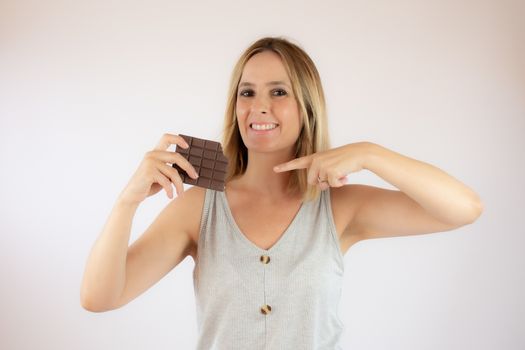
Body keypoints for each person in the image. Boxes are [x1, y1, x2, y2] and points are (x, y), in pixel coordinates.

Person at [80, 36, 483, 349]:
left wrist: (369, 154)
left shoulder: (339, 206)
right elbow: (100, 297)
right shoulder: (199, 208)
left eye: (278, 92)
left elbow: (464, 208)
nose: (259, 106)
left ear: (307, 105)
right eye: (247, 92)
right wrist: (127, 202)